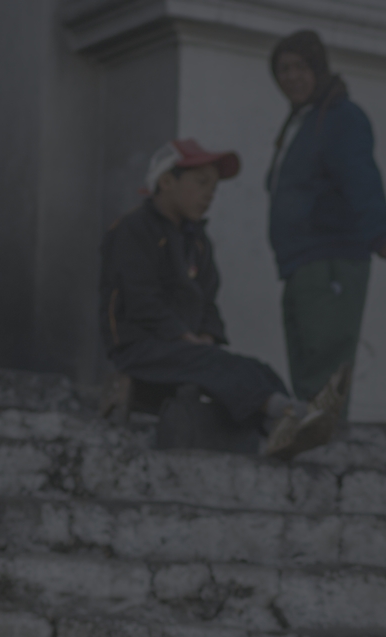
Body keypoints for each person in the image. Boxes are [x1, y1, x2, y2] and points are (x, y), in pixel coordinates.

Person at [101, 139, 340, 460]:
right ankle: (287, 415)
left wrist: (207, 335)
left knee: (256, 369)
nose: (209, 194)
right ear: (167, 181)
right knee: (216, 364)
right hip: (141, 347)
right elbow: (140, 297)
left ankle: (282, 428)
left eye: (213, 187)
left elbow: (207, 301)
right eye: (201, 183)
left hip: (185, 349)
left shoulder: (197, 241)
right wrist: (182, 336)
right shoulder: (133, 230)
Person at [265, 30, 386, 413]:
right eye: (282, 70)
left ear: (318, 69)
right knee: (306, 358)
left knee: (325, 354)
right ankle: (310, 438)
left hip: (331, 258)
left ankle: (325, 444)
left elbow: (361, 175)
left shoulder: (341, 117)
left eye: (299, 67)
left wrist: (380, 233)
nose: (290, 77)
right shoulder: (302, 121)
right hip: (300, 261)